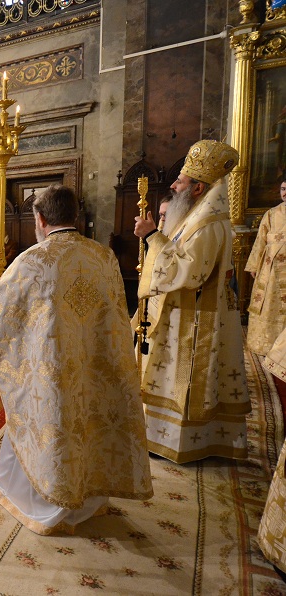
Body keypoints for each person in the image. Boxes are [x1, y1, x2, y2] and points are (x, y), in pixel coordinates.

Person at [0, 184, 153, 535]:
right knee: (90, 418)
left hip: (55, 366)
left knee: (53, 421)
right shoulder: (103, 255)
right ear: (74, 216)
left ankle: (50, 499)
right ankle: (90, 495)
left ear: (41, 218)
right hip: (96, 359)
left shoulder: (35, 259)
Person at [133, 140, 250, 463]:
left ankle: (184, 443)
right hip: (187, 312)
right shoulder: (196, 218)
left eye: (180, 181)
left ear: (197, 189)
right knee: (169, 377)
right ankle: (162, 437)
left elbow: (188, 271)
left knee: (184, 379)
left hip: (195, 318)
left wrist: (151, 236)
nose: (173, 185)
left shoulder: (208, 224)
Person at [245, 176, 286, 356]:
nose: (285, 193)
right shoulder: (271, 213)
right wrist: (254, 265)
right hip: (271, 269)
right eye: (284, 189)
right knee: (268, 305)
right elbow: (260, 241)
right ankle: (266, 343)